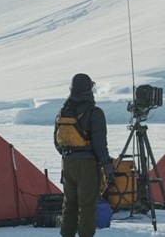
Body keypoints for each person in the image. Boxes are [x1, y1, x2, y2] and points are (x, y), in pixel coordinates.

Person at [53, 73, 114, 237]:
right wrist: (107, 166)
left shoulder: (63, 111)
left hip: (67, 163)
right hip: (86, 164)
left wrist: (69, 155)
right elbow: (100, 144)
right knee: (87, 206)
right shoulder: (94, 112)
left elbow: (57, 142)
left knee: (69, 203)